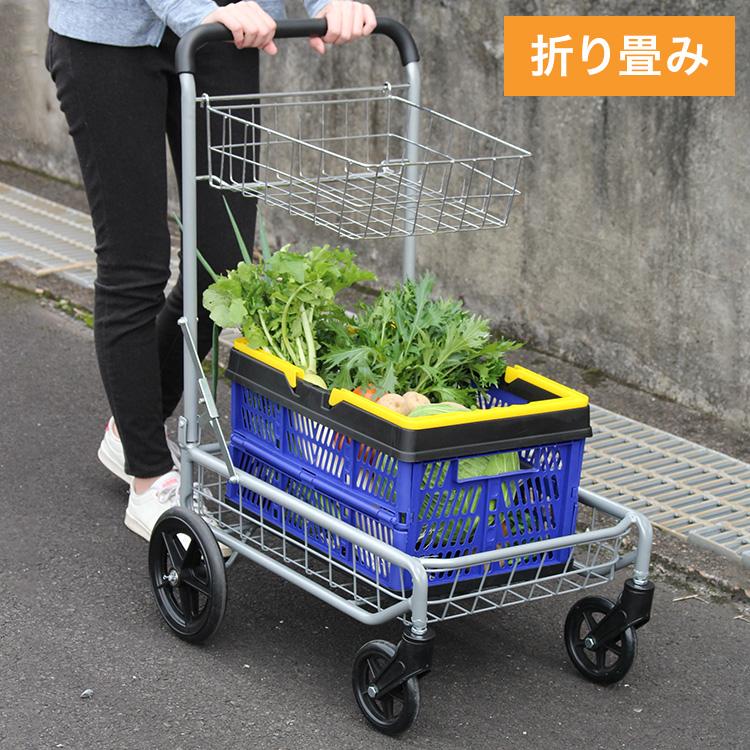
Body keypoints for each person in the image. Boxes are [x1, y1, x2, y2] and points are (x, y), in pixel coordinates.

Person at [46, 0, 376, 541]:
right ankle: (149, 475)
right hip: (107, 39)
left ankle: (131, 427)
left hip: (228, 33)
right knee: (135, 263)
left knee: (222, 267)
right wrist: (193, 8)